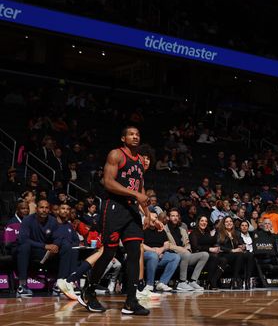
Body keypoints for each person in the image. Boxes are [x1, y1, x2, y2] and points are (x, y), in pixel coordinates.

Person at [77, 126, 153, 315]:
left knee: (135, 253)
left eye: (137, 134)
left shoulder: (140, 162)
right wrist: (136, 195)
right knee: (108, 253)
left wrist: (148, 213)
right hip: (115, 208)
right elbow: (108, 182)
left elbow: (141, 189)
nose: (135, 137)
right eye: (131, 134)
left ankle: (131, 301)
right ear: (123, 138)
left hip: (132, 210)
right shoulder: (116, 155)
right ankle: (89, 291)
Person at [15, 199, 60, 297]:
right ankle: (22, 286)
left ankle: (59, 285)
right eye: (41, 207)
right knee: (24, 246)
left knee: (65, 247)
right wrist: (44, 246)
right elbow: (23, 239)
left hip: (43, 251)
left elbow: (58, 237)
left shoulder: (53, 221)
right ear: (36, 209)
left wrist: (55, 245)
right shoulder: (27, 220)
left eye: (46, 208)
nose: (44, 210)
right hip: (29, 251)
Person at [165, 208, 208, 292]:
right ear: (168, 217)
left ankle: (193, 281)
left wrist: (187, 249)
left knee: (205, 255)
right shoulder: (164, 229)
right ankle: (182, 282)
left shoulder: (182, 230)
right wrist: (181, 249)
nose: (175, 218)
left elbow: (187, 244)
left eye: (177, 216)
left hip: (185, 254)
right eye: (173, 216)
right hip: (173, 254)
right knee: (186, 254)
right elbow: (167, 245)